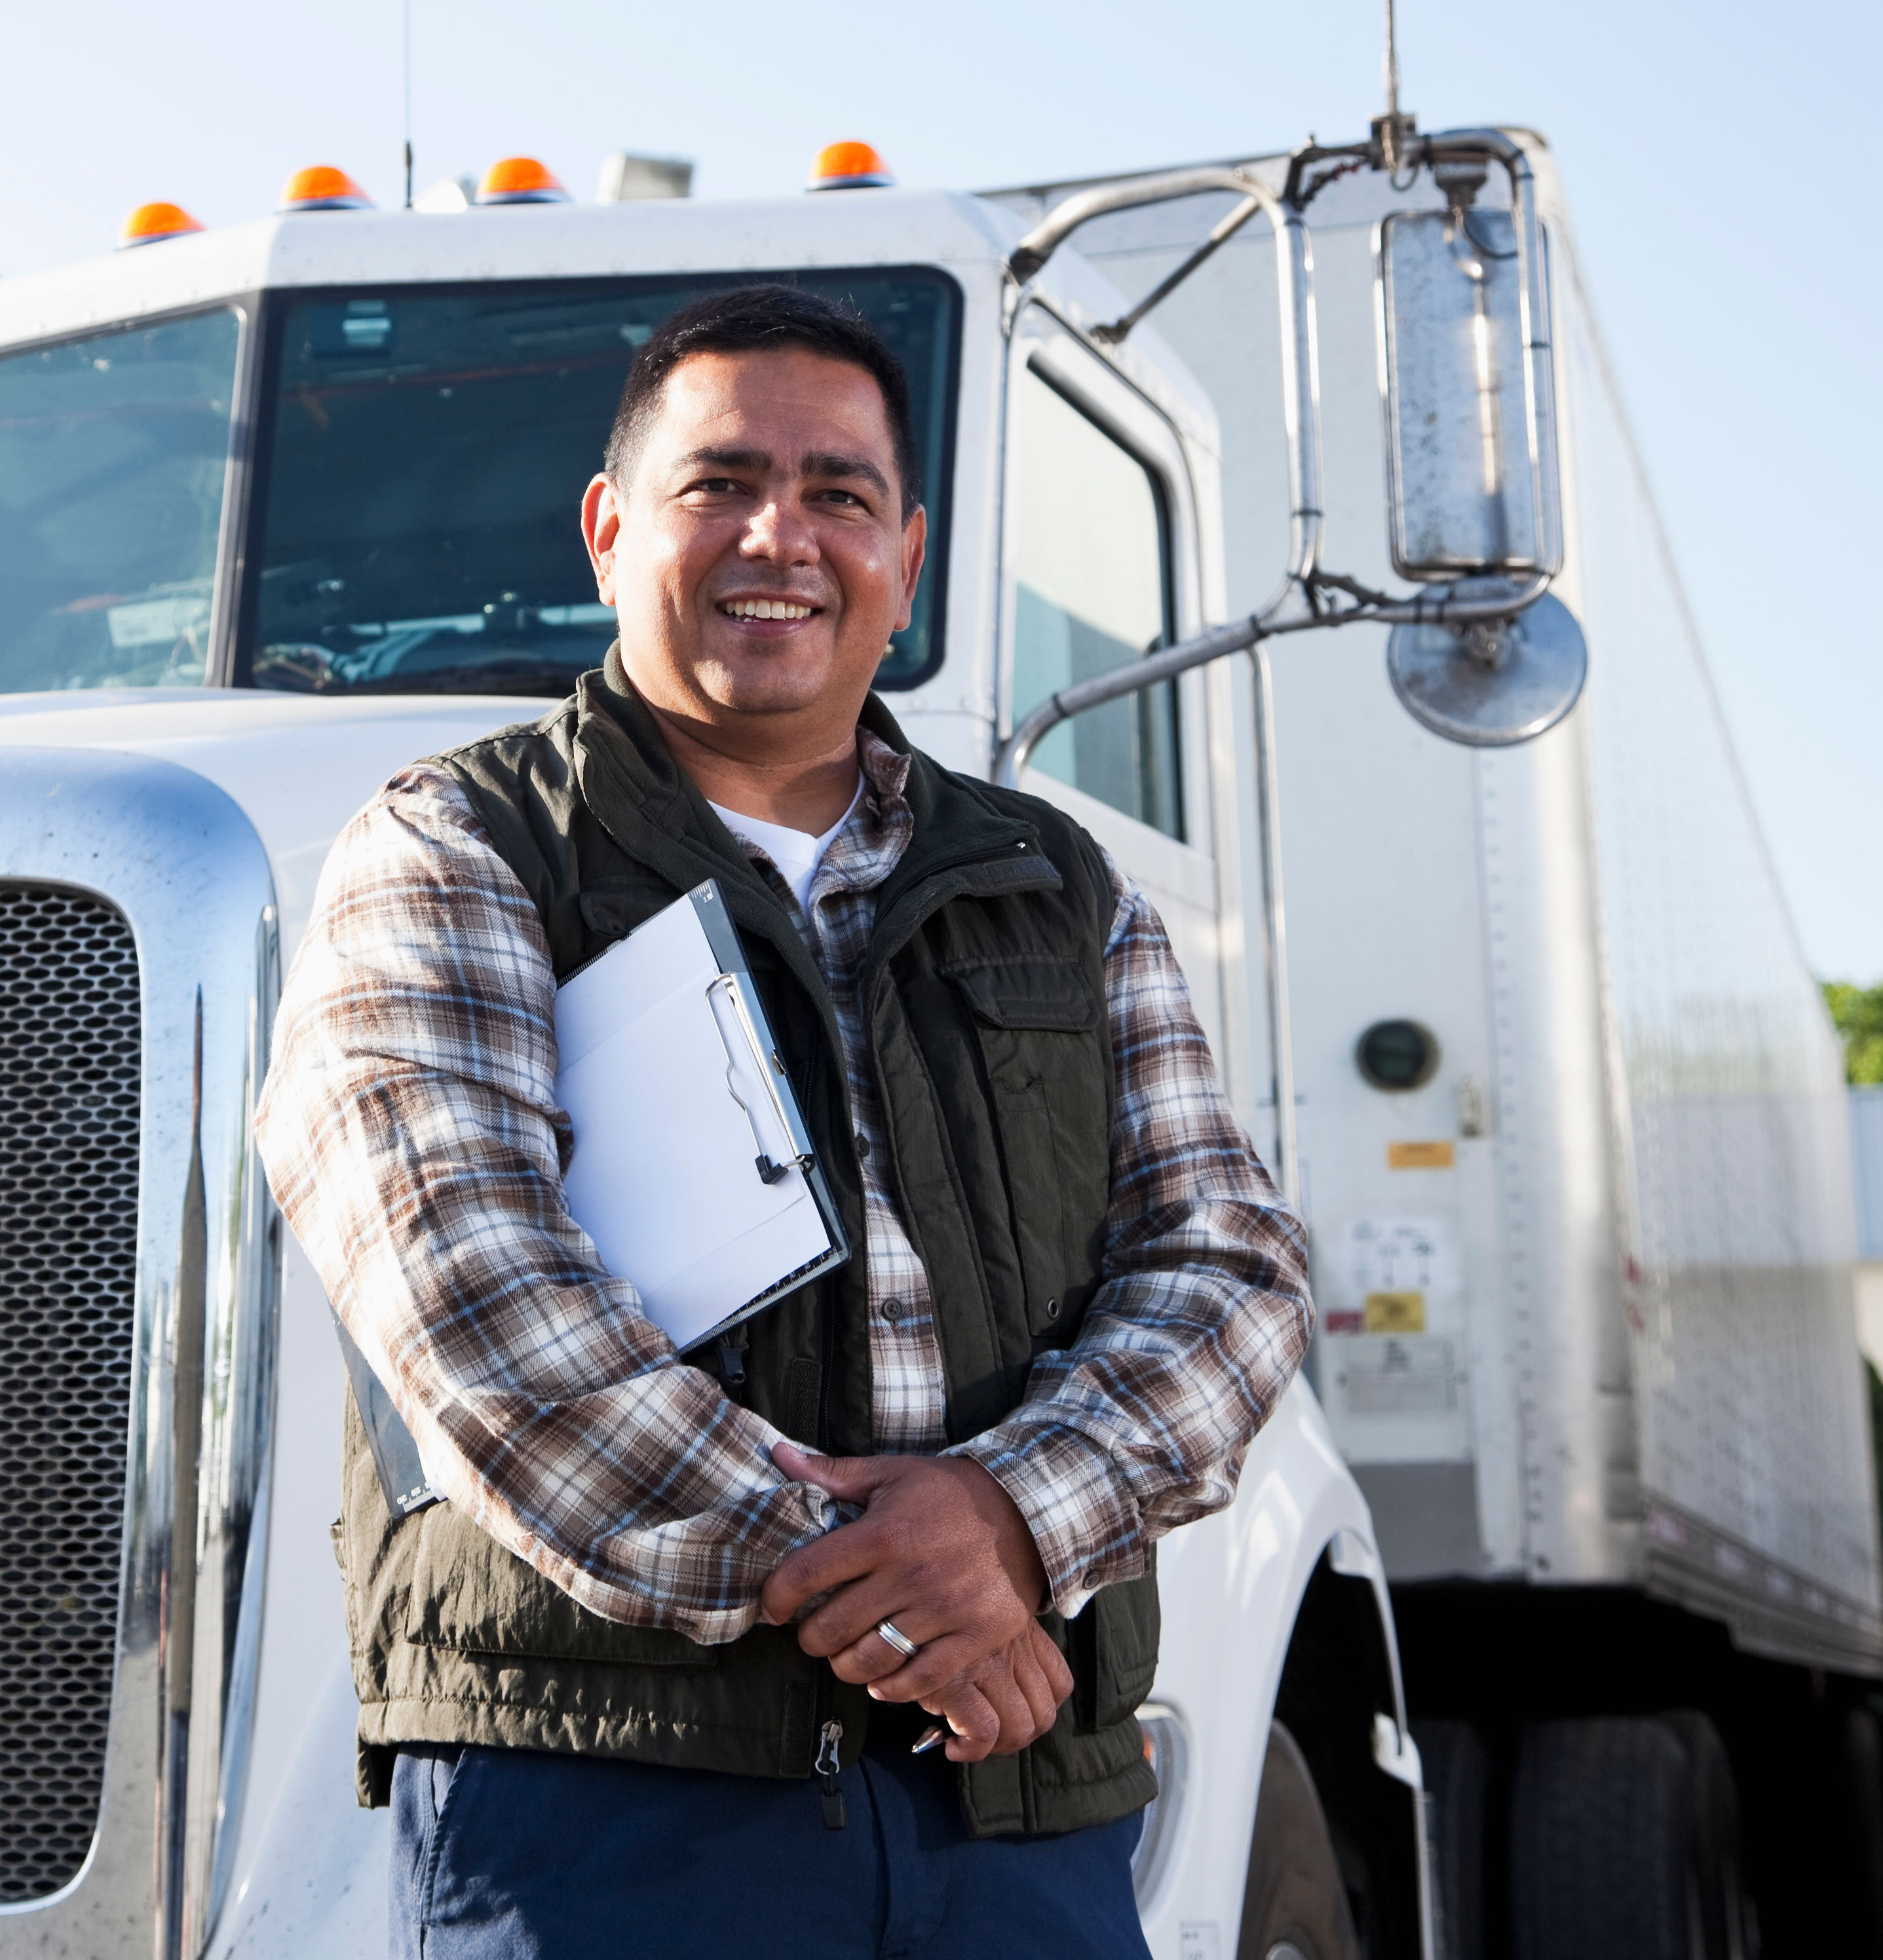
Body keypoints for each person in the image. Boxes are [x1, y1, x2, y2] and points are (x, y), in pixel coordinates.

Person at [254, 283, 1310, 1959]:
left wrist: (1010, 1523)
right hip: (613, 1803)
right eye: (717, 483)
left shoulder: (1062, 885)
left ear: (905, 550)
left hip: (1014, 1796)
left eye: (836, 492)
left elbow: (1227, 1265)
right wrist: (913, 1598)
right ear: (608, 530)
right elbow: (466, 1292)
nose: (779, 536)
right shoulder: (451, 847)